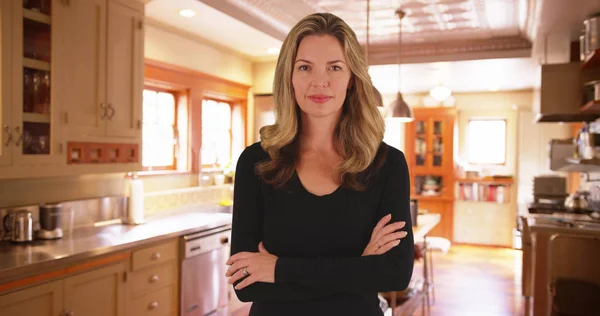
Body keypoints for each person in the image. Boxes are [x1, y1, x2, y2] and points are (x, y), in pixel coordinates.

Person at [225, 12, 414, 316]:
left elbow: (394, 274)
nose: (319, 81)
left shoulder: (387, 164)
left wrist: (279, 269)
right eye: (305, 67)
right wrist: (358, 268)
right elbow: (247, 285)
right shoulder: (256, 162)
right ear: (289, 76)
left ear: (352, 79)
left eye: (335, 67)